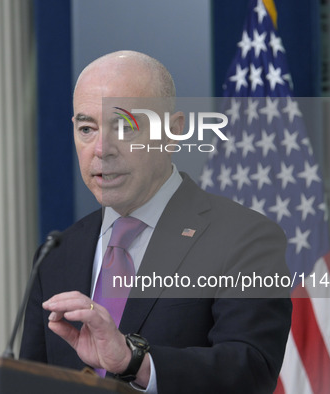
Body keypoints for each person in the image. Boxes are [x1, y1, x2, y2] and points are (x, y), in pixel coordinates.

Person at [20, 50, 292, 393]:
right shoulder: (56, 255)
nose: (102, 148)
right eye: (87, 128)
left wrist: (135, 362)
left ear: (173, 131)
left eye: (124, 126)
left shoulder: (244, 238)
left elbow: (250, 371)